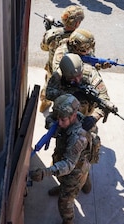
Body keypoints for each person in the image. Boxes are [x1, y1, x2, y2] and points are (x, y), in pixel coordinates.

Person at [46, 53, 117, 192]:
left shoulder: (91, 74)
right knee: (62, 151)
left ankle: (85, 178)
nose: (78, 80)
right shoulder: (58, 76)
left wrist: (94, 117)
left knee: (86, 155)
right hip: (65, 121)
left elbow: (105, 101)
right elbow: (49, 93)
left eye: (79, 76)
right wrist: (70, 97)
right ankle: (64, 185)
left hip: (86, 121)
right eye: (73, 79)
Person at [30, 94, 91, 224]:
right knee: (62, 180)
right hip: (68, 159)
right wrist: (52, 124)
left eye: (62, 120)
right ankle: (73, 185)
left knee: (65, 201)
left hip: (75, 170)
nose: (60, 122)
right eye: (59, 118)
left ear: (74, 116)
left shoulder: (78, 137)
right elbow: (51, 118)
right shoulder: (66, 114)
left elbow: (69, 165)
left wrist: (45, 172)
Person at [39, 5, 85, 113]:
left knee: (48, 87)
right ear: (77, 23)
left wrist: (49, 30)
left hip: (52, 71)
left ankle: (45, 103)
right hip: (71, 75)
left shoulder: (52, 34)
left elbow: (43, 47)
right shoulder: (79, 38)